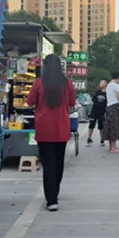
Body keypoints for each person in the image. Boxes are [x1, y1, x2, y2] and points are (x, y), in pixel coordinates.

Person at [27, 54, 77, 211]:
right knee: (59, 162)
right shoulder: (67, 83)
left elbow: (30, 101)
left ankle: (51, 199)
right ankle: (54, 191)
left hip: (44, 129)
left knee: (48, 164)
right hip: (61, 129)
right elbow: (72, 102)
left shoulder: (39, 83)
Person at [103, 72, 119, 154]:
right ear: (118, 78)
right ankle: (113, 148)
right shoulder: (116, 85)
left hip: (109, 107)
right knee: (114, 127)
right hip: (115, 107)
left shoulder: (108, 85)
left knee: (110, 127)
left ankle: (111, 147)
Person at [87, 79, 108, 146]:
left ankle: (102, 139)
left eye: (102, 82)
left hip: (102, 112)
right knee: (91, 125)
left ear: (105, 84)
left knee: (101, 125)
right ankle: (89, 139)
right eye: (100, 82)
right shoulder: (97, 92)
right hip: (94, 111)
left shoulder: (107, 93)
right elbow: (93, 100)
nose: (100, 83)